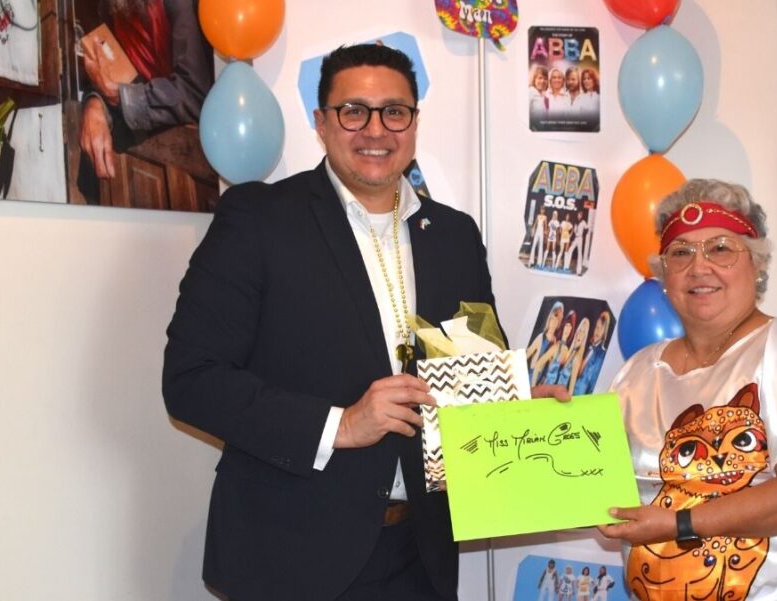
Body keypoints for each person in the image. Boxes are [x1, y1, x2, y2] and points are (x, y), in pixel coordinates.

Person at [162, 43, 563, 601]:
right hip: (289, 557)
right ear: (321, 123)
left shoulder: (454, 236)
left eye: (394, 112)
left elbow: (469, 372)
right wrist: (341, 425)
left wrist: (517, 413)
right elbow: (191, 381)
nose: (376, 130)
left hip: (420, 557)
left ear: (414, 123)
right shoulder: (258, 219)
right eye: (354, 111)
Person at [597, 179, 777, 600]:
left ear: (757, 263)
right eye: (681, 252)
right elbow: (598, 492)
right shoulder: (637, 374)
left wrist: (681, 524)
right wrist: (547, 421)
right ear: (663, 274)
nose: (699, 267)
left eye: (720, 248)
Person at [79, 0, 213, 191]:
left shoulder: (179, 4)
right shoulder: (110, 8)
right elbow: (112, 74)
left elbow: (193, 91)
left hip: (203, 158)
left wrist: (119, 96)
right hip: (152, 160)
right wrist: (94, 104)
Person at [573, 310, 610, 395]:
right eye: (597, 327)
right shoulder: (588, 347)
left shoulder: (601, 355)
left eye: (601, 329)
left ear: (604, 332)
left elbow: (593, 383)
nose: (597, 331)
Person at [527, 301, 564, 379]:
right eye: (555, 316)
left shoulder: (555, 342)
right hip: (531, 375)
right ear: (550, 318)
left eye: (558, 318)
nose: (555, 321)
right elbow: (526, 354)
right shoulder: (541, 337)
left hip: (542, 379)